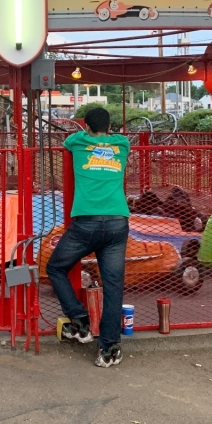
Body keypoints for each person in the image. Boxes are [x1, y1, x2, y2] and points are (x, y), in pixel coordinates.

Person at [46, 107, 131, 368]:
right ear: (109, 126)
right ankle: (109, 348)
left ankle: (79, 318)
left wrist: (88, 135)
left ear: (86, 125)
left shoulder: (78, 142)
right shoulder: (122, 143)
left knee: (55, 267)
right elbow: (116, 138)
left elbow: (70, 140)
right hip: (118, 221)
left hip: (87, 222)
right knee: (113, 286)